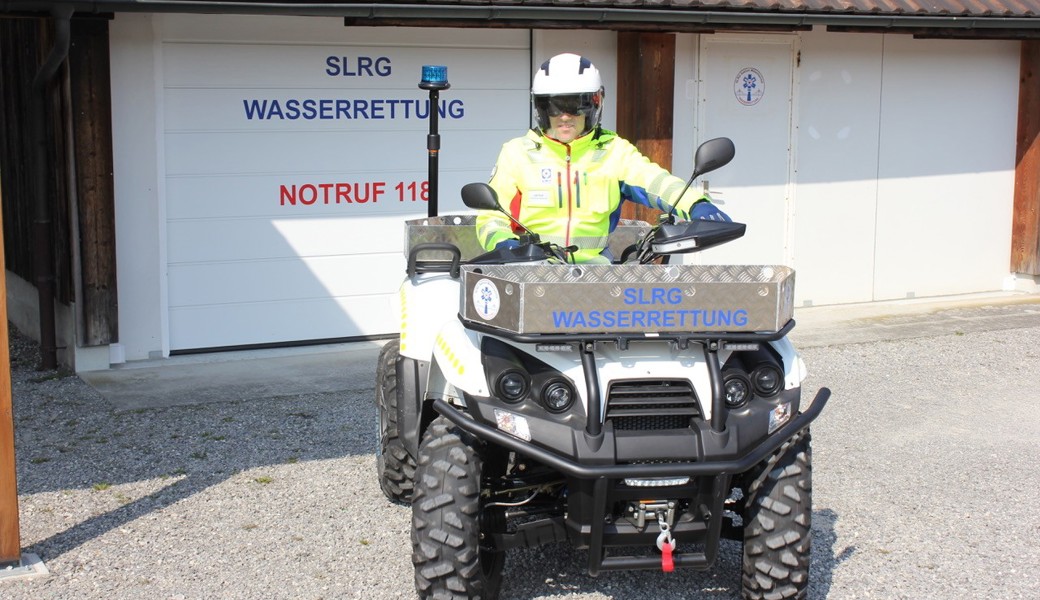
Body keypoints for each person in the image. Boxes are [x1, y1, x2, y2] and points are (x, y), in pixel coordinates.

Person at [476, 52, 731, 264]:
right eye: (554, 106)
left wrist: (696, 203)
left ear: (594, 106)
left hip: (596, 274)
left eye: (576, 105)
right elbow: (490, 217)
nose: (565, 116)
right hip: (531, 271)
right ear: (541, 109)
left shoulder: (613, 150)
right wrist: (505, 245)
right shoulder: (518, 152)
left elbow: (655, 182)